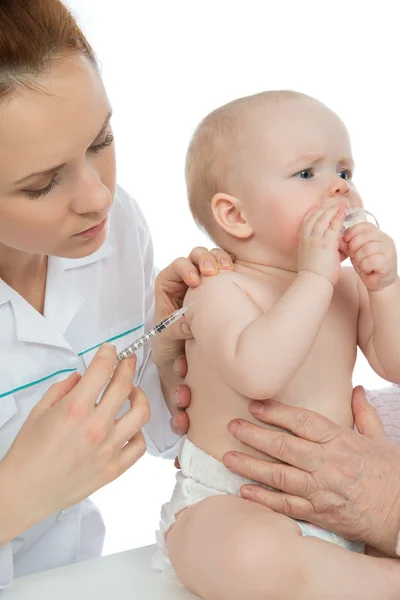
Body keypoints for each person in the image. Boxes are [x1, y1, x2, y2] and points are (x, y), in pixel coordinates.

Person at [0, 0, 234, 588]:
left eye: (100, 140)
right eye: (41, 184)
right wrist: (18, 497)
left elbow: (157, 434)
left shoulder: (113, 229)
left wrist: (168, 357)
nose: (98, 196)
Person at [154, 90, 400, 599]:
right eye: (307, 174)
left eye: (345, 172)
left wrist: (386, 287)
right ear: (235, 216)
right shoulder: (218, 289)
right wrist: (314, 278)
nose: (339, 189)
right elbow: (259, 373)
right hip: (232, 496)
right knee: (250, 555)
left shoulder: (346, 286)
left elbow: (393, 364)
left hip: (345, 499)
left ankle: (346, 573)